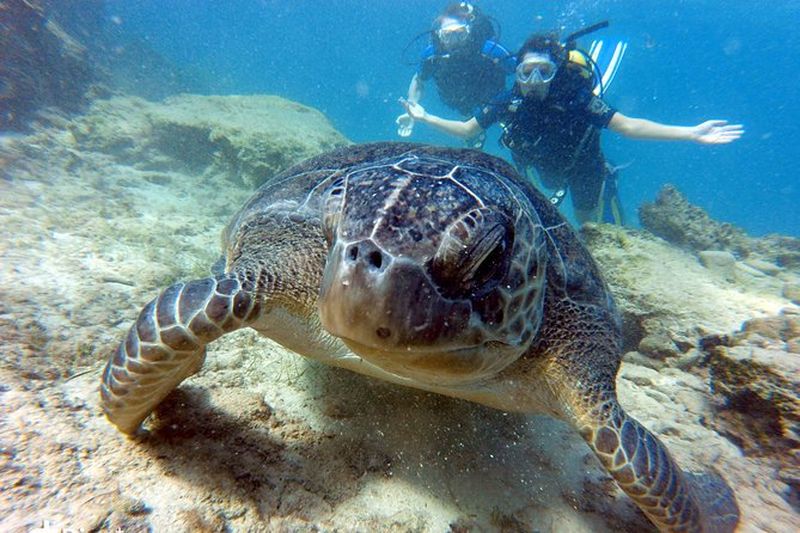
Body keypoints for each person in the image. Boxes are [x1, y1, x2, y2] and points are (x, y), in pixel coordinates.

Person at [400, 31, 744, 224]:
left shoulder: (577, 97)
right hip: (541, 168)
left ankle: (608, 181)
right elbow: (467, 130)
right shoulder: (509, 99)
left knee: (589, 228)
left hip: (583, 168)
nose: (534, 80)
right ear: (517, 72)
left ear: (556, 72)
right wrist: (424, 117)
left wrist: (691, 133)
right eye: (526, 72)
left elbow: (629, 126)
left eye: (544, 71)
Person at [396, 2, 516, 146]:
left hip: (494, 103)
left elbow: (522, 71)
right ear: (439, 35)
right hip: (462, 103)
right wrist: (412, 106)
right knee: (469, 133)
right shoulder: (432, 55)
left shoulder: (489, 50)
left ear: (469, 32)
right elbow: (418, 79)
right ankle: (471, 124)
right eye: (448, 35)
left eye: (460, 34)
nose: (454, 42)